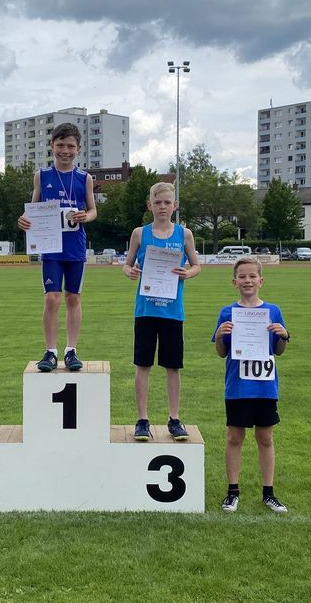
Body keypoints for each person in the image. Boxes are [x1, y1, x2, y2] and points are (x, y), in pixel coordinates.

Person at [122, 182, 201, 441]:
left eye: (168, 202)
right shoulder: (139, 233)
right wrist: (131, 272)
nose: (163, 207)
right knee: (142, 365)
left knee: (172, 367)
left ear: (175, 205)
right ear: (150, 206)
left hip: (172, 311)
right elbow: (127, 265)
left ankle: (174, 418)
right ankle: (142, 419)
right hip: (145, 309)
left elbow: (196, 265)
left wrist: (186, 273)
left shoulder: (184, 234)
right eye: (158, 203)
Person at [17, 122, 97, 373]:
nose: (65, 150)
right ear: (52, 146)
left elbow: (93, 209)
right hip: (51, 247)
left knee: (73, 297)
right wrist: (24, 220)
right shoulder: (42, 175)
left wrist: (87, 216)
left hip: (75, 247)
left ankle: (71, 350)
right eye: (60, 145)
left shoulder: (85, 178)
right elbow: (33, 209)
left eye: (70, 146)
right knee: (52, 299)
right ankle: (50, 351)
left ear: (79, 149)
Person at [213, 257, 290, 514]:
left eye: (252, 276)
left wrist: (283, 335)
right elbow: (221, 352)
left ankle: (269, 493)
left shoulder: (273, 311)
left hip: (265, 385)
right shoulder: (227, 312)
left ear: (261, 280)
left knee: (265, 437)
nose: (247, 281)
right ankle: (232, 491)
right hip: (237, 385)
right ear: (234, 282)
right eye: (242, 277)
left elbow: (278, 351)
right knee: (235, 437)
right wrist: (222, 336)